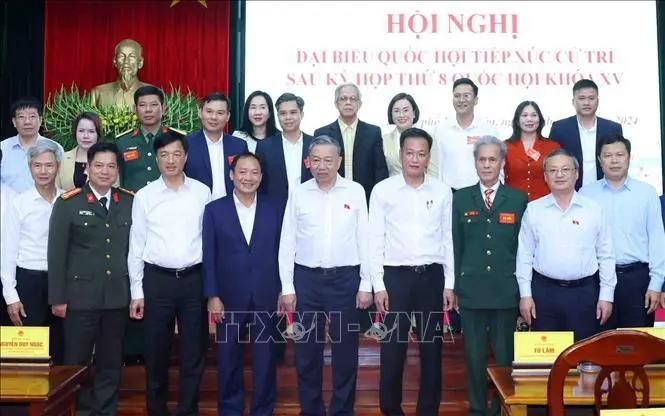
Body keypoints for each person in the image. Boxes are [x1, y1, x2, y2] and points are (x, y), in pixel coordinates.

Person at [278, 136, 373, 416]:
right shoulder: (299, 192)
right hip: (306, 281)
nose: (322, 166)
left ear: (339, 161)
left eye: (328, 160)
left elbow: (364, 239)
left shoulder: (355, 191)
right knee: (307, 352)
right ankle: (312, 410)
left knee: (345, 352)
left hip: (345, 280)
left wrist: (365, 283)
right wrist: (287, 286)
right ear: (308, 162)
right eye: (316, 160)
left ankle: (342, 410)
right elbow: (288, 240)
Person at [368, 127, 454, 416]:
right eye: (409, 153)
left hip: (432, 277)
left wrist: (449, 283)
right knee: (393, 349)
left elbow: (447, 239)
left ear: (429, 157)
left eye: (421, 154)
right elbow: (374, 239)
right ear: (400, 154)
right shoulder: (383, 190)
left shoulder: (441, 191)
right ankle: (391, 409)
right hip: (395, 278)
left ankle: (427, 410)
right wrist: (378, 284)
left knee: (432, 350)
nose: (415, 159)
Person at [128, 131, 211, 416]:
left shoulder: (202, 192)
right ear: (156, 158)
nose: (171, 160)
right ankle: (156, 410)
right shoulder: (144, 196)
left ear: (186, 157)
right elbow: (136, 245)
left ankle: (188, 410)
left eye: (176, 154)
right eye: (164, 155)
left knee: (193, 353)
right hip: (157, 281)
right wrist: (137, 291)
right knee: (156, 352)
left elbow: (209, 242)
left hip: (193, 281)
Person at [48, 142, 133, 416]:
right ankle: (80, 411)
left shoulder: (130, 202)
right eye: (99, 165)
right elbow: (56, 254)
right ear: (87, 168)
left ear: (117, 170)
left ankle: (105, 411)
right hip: (79, 299)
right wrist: (57, 298)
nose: (105, 172)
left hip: (116, 297)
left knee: (110, 362)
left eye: (111, 166)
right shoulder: (68, 204)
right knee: (76, 363)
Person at [452, 136, 528, 416]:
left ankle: (501, 408)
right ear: (475, 163)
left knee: (505, 358)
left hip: (505, 291)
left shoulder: (518, 199)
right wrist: (455, 287)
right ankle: (477, 409)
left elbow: (523, 250)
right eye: (481, 159)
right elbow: (455, 245)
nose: (487, 165)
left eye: (492, 159)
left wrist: (523, 292)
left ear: (502, 162)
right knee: (473, 358)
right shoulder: (460, 198)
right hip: (471, 292)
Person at [203, 152, 282, 416]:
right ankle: (230, 409)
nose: (248, 178)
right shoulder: (215, 210)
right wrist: (212, 295)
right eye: (243, 172)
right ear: (232, 175)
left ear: (261, 177)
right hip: (228, 296)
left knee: (265, 359)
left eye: (254, 172)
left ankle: (262, 409)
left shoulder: (276, 207)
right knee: (227, 360)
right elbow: (209, 255)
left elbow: (283, 251)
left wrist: (284, 288)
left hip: (266, 294)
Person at [516, 148, 616, 341]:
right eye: (552, 171)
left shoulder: (593, 209)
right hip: (543, 295)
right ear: (545, 176)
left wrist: (606, 295)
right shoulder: (534, 210)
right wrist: (525, 295)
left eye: (565, 169)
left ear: (576, 173)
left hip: (584, 295)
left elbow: (606, 255)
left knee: (584, 359)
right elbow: (525, 255)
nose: (559, 175)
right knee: (546, 361)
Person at [579, 134, 664, 328]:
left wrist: (656, 284)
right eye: (608, 155)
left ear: (629, 157)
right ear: (600, 160)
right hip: (597, 280)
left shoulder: (647, 192)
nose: (614, 160)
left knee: (637, 346)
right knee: (599, 344)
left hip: (637, 280)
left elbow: (658, 240)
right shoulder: (586, 194)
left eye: (620, 154)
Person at [1, 141, 65, 362]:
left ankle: (60, 397)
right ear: (30, 168)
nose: (43, 171)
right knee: (29, 353)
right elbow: (7, 251)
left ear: (58, 166)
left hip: (62, 282)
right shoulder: (19, 203)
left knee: (60, 349)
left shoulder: (68, 200)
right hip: (29, 281)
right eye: (37, 165)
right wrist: (11, 296)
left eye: (49, 165)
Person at [314, 83, 389, 201]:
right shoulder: (322, 133)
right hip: (331, 197)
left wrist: (379, 198)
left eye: (353, 99)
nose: (348, 102)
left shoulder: (373, 132)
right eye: (343, 98)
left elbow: (380, 169)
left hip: (365, 197)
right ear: (336, 104)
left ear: (359, 104)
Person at [549, 79, 623, 190]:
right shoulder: (560, 128)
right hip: (570, 193)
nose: (587, 103)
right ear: (573, 101)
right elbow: (552, 163)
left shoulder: (612, 128)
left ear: (597, 101)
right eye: (582, 98)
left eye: (591, 98)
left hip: (606, 191)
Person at [434, 78, 499, 191]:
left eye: (466, 95)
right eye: (457, 96)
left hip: (480, 194)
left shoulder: (488, 130)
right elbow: (436, 166)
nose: (461, 100)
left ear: (476, 100)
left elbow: (497, 164)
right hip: (449, 193)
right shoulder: (441, 130)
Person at [255, 92, 313, 214]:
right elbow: (260, 183)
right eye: (282, 113)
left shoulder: (314, 145)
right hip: (274, 212)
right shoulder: (264, 147)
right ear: (277, 116)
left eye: (293, 112)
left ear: (301, 114)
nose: (288, 117)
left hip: (310, 210)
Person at [184, 92, 249, 200]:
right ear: (200, 112)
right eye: (209, 111)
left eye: (220, 113)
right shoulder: (186, 144)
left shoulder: (239, 145)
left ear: (228, 116)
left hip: (232, 209)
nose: (214, 117)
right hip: (197, 209)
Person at [116, 85, 179, 193]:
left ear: (163, 109)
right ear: (135, 110)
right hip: (132, 204)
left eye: (154, 105)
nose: (148, 110)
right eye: (142, 105)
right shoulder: (123, 142)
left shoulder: (176, 139)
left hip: (168, 203)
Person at [1, 97, 64, 192]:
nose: (27, 122)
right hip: (8, 205)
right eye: (21, 117)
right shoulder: (3, 147)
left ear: (40, 120)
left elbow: (61, 181)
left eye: (32, 116)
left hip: (44, 205)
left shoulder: (54, 147)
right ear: (14, 122)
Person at [504, 101, 560, 201]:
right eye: (524, 115)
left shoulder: (552, 147)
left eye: (534, 115)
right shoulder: (505, 146)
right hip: (513, 203)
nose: (529, 119)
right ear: (517, 120)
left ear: (540, 119)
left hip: (545, 203)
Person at [382, 93, 439, 177]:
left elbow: (433, 172)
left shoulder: (427, 139)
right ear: (391, 114)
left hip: (422, 188)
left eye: (406, 110)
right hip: (392, 188)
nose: (401, 115)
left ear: (414, 113)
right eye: (396, 111)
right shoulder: (383, 140)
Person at [90, 38, 151, 109]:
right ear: (115, 61)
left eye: (132, 56)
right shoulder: (98, 93)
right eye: (121, 56)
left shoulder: (154, 93)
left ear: (140, 62)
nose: (126, 61)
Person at [56, 112, 103, 190]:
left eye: (91, 131)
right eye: (81, 131)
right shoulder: (63, 158)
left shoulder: (107, 159)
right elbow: (56, 190)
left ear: (97, 134)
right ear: (75, 132)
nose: (86, 136)